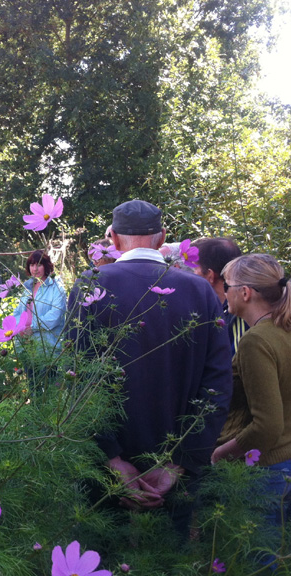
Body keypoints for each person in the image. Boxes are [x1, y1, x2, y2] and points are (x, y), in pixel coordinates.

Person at [67, 200, 232, 534]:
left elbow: (77, 377)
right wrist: (180, 462)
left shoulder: (91, 283)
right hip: (175, 467)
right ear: (163, 238)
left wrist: (113, 459)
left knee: (99, 558)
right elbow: (218, 384)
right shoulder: (199, 290)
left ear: (112, 239)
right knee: (172, 560)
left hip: (106, 469)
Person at [211, 254, 291, 531]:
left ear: (244, 293)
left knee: (256, 561)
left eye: (227, 287)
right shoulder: (283, 329)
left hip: (266, 471)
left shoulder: (256, 341)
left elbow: (267, 426)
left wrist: (219, 455)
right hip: (285, 464)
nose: (223, 294)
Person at [192, 237, 247, 355]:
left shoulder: (238, 311)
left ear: (210, 275)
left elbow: (235, 363)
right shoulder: (219, 306)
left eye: (196, 268)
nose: (193, 273)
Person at [12, 250, 66, 356]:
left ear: (46, 266)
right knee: (29, 372)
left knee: (46, 372)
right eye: (32, 265)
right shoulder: (27, 287)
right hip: (24, 343)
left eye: (39, 265)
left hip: (46, 345)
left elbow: (56, 315)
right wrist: (20, 329)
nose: (35, 269)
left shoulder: (57, 288)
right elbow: (18, 312)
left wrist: (33, 328)